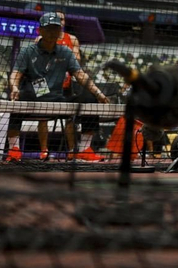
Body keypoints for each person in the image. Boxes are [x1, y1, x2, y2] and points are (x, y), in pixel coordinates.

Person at [6, 13, 108, 160]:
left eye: (56, 29)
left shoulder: (65, 52)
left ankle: (85, 148)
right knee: (18, 99)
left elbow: (80, 75)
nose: (52, 32)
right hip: (34, 98)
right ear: (40, 30)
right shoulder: (28, 51)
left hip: (58, 99)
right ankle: (14, 149)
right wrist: (14, 87)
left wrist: (98, 93)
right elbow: (16, 73)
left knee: (90, 99)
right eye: (48, 29)